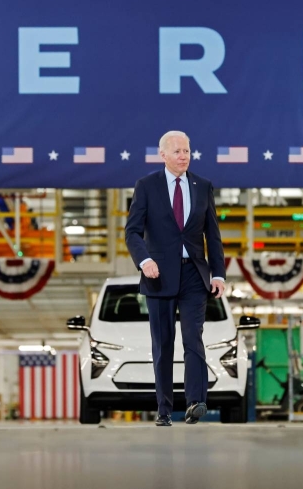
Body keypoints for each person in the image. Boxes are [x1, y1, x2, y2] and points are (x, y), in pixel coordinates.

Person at [125, 130, 226, 427]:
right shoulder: (146, 186)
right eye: (178, 151)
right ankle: (164, 409)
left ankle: (196, 402)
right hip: (158, 276)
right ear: (163, 155)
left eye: (187, 151)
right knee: (163, 344)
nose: (184, 156)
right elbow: (132, 231)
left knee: (193, 339)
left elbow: (213, 235)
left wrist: (218, 273)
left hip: (195, 275)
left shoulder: (203, 186)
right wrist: (144, 260)